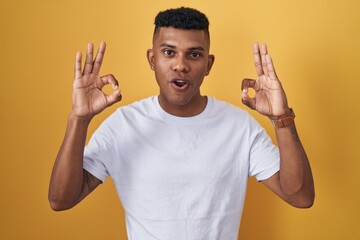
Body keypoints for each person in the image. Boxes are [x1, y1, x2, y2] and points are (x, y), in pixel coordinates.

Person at [49, 7, 314, 239]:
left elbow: (300, 197)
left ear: (208, 64)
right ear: (152, 60)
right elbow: (61, 199)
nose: (180, 65)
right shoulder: (123, 126)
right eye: (168, 52)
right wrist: (78, 120)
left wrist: (282, 119)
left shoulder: (239, 127)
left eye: (194, 55)